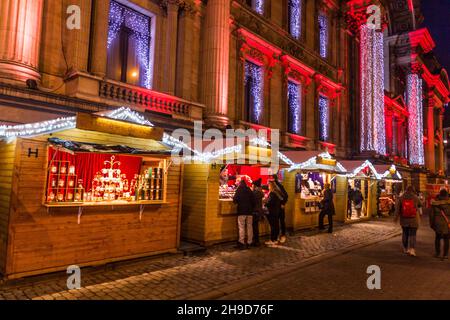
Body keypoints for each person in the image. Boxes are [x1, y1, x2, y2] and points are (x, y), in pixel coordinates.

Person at [394, 185, 422, 256]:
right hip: (414, 219)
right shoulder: (415, 197)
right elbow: (420, 204)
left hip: (404, 219)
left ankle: (405, 248)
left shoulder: (401, 197)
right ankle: (412, 249)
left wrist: (396, 218)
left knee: (405, 233)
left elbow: (397, 209)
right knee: (413, 234)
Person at [233, 180, 256, 249]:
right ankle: (250, 242)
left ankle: (241, 243)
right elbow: (254, 201)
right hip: (249, 212)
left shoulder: (239, 190)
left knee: (241, 227)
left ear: (240, 184)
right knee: (249, 227)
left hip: (241, 211)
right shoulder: (249, 190)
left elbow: (235, 200)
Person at [430, 188, 450, 260]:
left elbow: (431, 215)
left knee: (437, 238)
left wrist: (432, 224)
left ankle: (438, 253)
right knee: (446, 239)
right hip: (447, 223)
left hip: (437, 223)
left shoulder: (435, 203)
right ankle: (445, 255)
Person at [264, 181, 283, 245]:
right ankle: (276, 238)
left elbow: (269, 202)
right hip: (276, 211)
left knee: (273, 226)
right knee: (276, 225)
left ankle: (272, 239)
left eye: (269, 185)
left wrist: (265, 203)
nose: (268, 187)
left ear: (271, 186)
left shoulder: (272, 193)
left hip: (271, 212)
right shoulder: (277, 192)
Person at [272, 174, 288, 243]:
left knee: (280, 221)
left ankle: (282, 235)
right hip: (277, 207)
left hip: (279, 207)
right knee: (279, 221)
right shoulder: (276, 185)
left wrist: (283, 204)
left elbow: (286, 195)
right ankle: (280, 235)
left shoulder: (278, 186)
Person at [251, 178, 264, 247]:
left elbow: (252, 201)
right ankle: (256, 240)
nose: (252, 186)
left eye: (253, 185)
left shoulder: (255, 193)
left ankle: (256, 241)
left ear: (255, 186)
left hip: (255, 212)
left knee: (255, 227)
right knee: (255, 227)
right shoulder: (260, 192)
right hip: (258, 211)